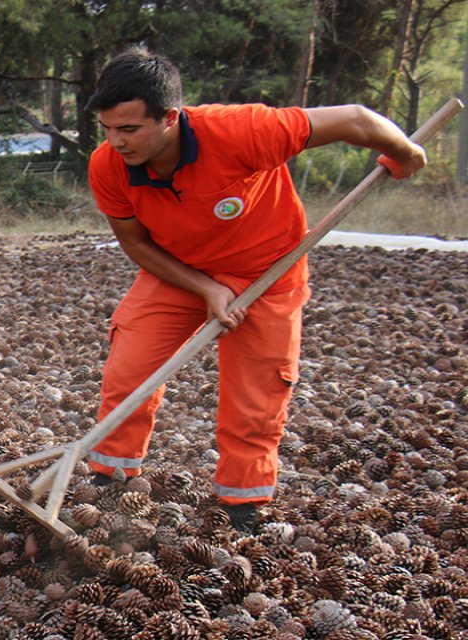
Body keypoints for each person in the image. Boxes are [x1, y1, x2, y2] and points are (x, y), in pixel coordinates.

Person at [84, 48, 426, 532]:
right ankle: (108, 479)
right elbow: (136, 244)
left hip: (268, 272)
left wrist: (406, 153)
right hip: (177, 271)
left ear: (170, 118)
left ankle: (241, 505)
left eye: (130, 129)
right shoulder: (108, 166)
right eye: (108, 129)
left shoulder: (242, 130)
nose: (116, 142)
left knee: (257, 394)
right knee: (128, 370)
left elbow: (356, 119)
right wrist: (205, 288)